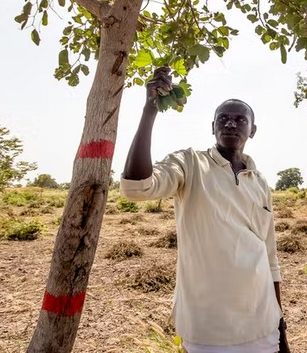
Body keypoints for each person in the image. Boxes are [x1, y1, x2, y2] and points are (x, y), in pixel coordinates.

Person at [121, 66, 289, 353]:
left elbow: (270, 256)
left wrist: (280, 327)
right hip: (207, 325)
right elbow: (136, 187)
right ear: (212, 127)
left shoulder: (259, 181)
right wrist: (150, 111)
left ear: (252, 130)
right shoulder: (189, 163)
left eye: (240, 119)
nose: (231, 124)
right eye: (223, 118)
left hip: (262, 322)